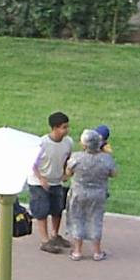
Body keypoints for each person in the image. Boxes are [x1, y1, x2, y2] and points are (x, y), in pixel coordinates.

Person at [65, 129, 117, 261]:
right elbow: (114, 173)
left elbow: (68, 172)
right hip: (98, 194)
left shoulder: (76, 157)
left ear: (84, 145)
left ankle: (77, 251)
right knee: (96, 219)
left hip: (78, 193)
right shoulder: (106, 159)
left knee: (77, 218)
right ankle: (97, 252)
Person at [30, 111, 72, 253]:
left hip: (56, 181)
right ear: (54, 128)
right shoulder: (42, 144)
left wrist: (66, 172)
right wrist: (41, 178)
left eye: (67, 127)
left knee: (57, 209)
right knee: (42, 210)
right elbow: (32, 163)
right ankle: (45, 240)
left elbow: (68, 158)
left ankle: (55, 235)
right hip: (39, 182)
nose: (66, 130)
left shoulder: (68, 142)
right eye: (63, 127)